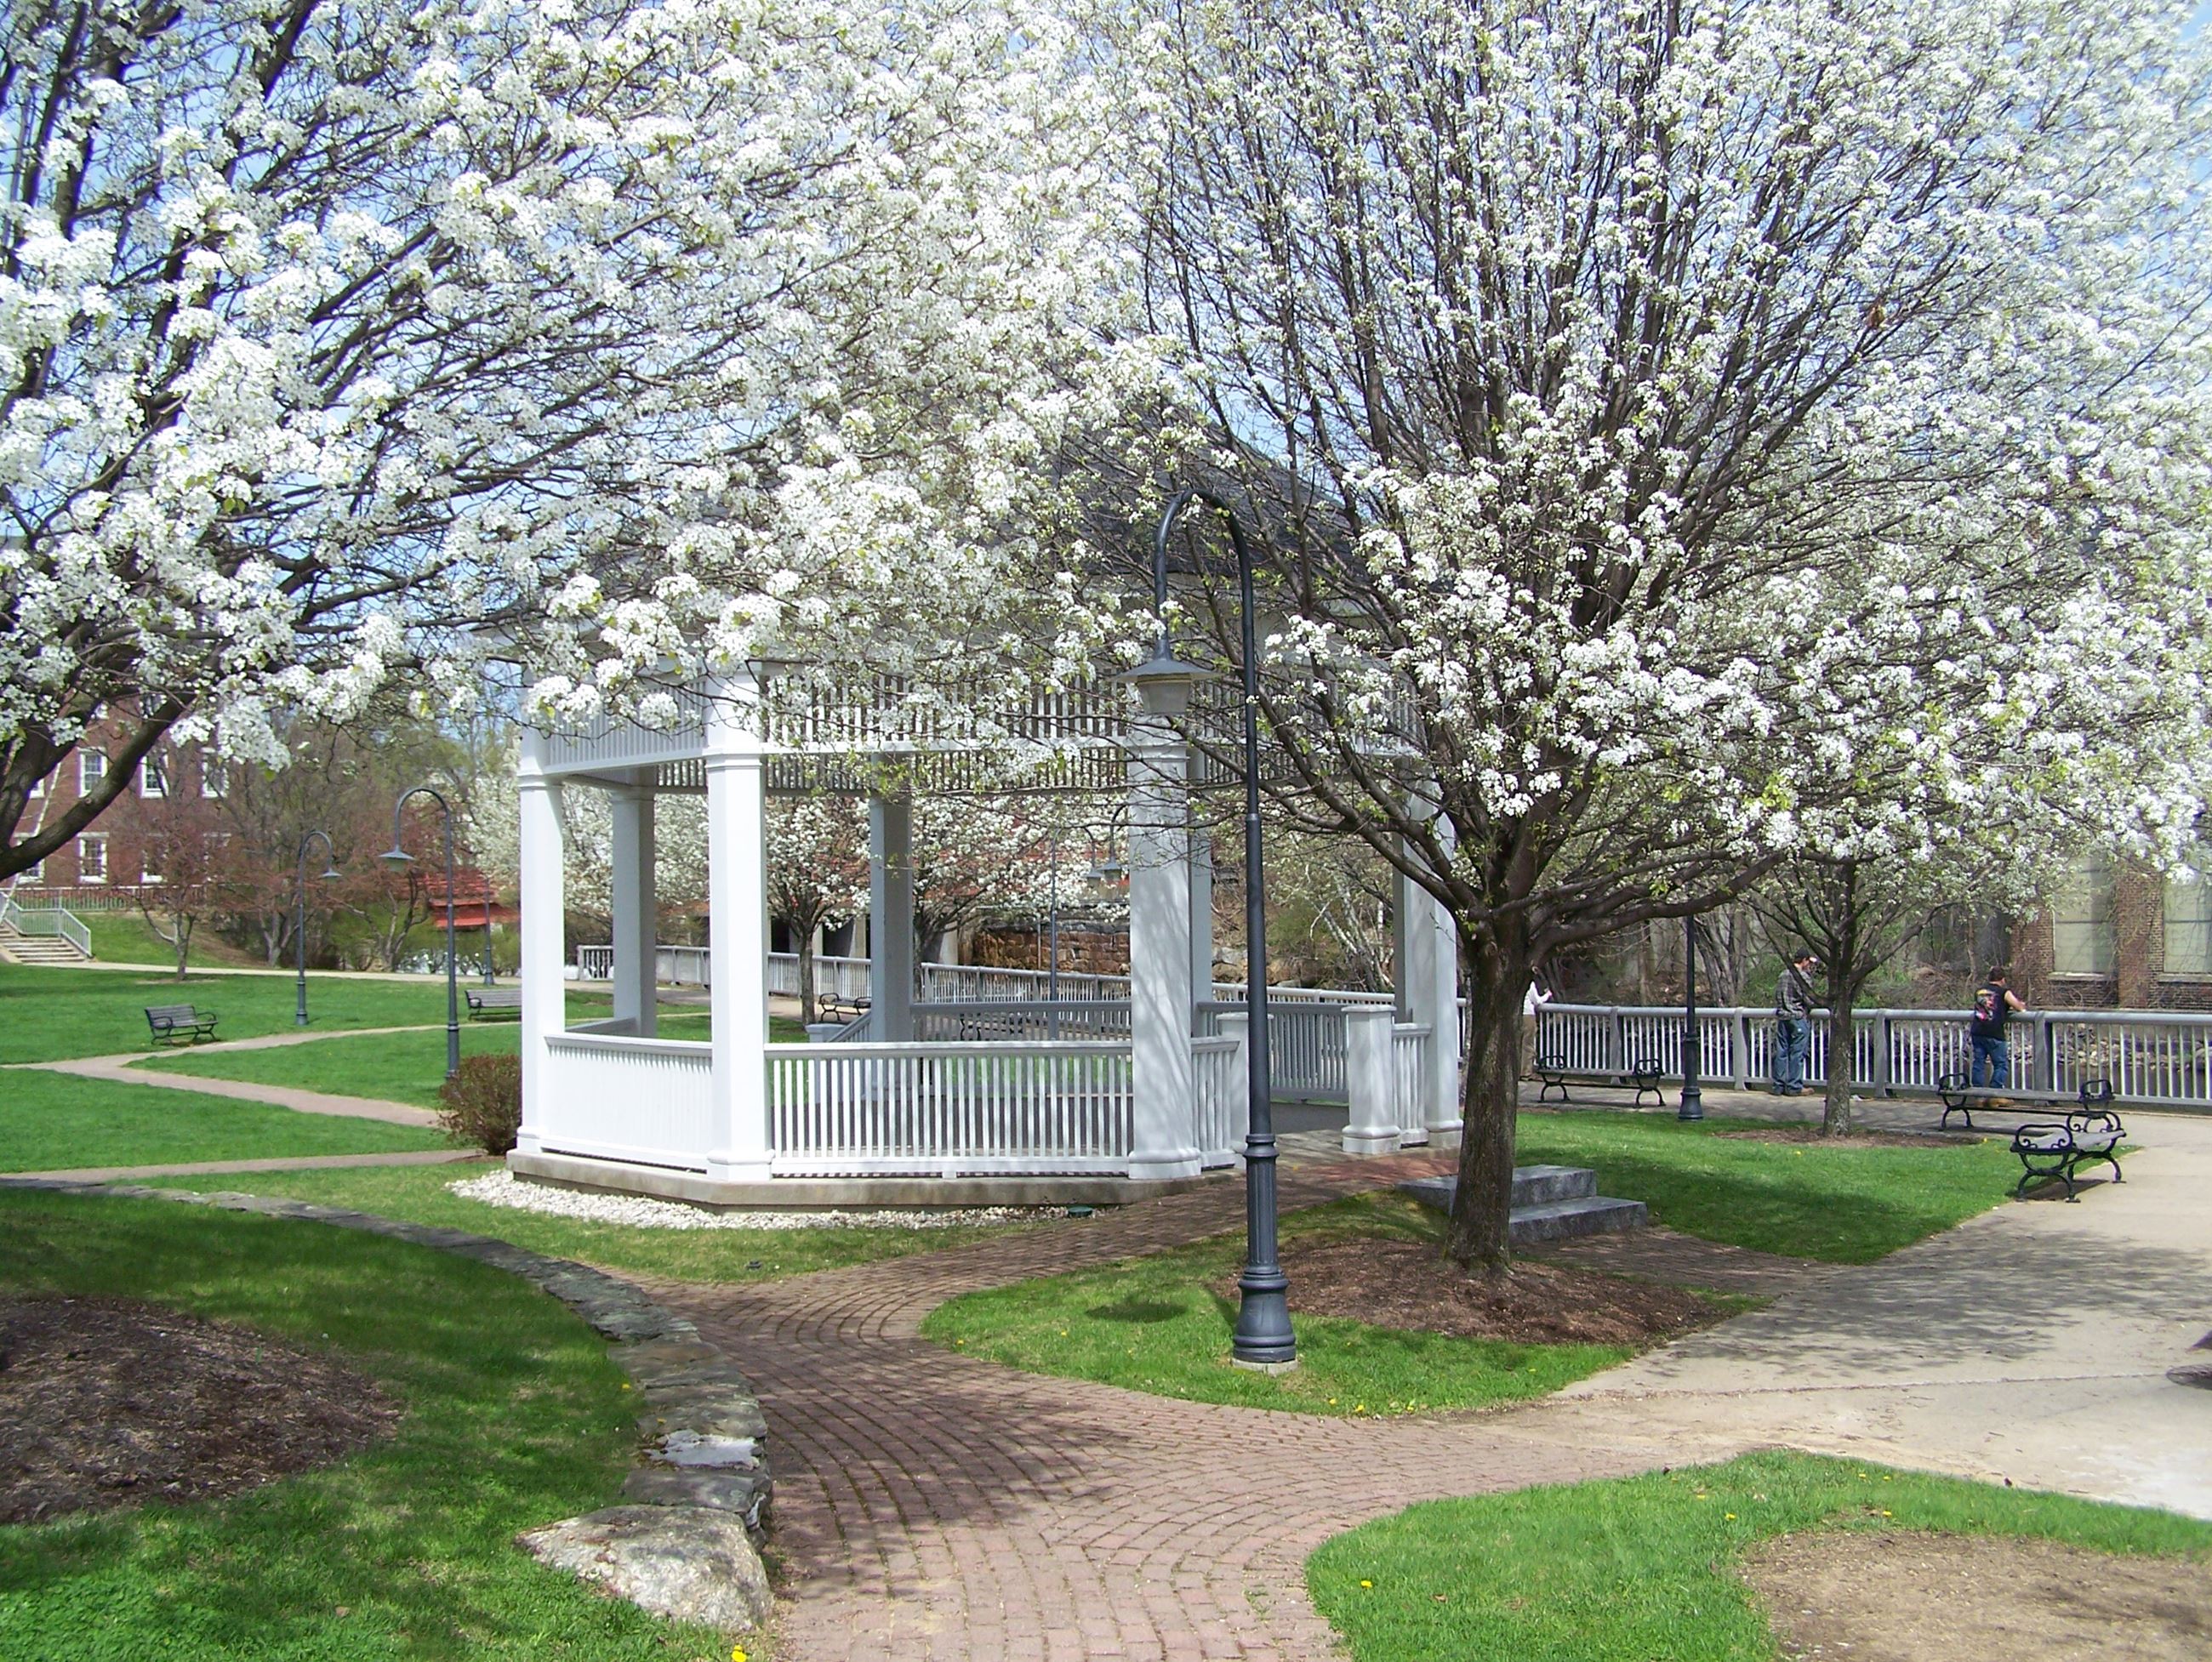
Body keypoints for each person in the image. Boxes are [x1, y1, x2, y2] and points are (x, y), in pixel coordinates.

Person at [1970, 967, 2027, 1099]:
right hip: (1994, 1033)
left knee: (1979, 1063)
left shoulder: (1979, 991)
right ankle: (1995, 1094)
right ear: (2002, 979)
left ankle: (1978, 1095)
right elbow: (2018, 1007)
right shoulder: (2003, 992)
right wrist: (2021, 1005)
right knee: (2000, 1064)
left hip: (1978, 1031)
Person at [1771, 949, 1818, 1095]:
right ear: (1804, 960)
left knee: (1781, 1051)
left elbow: (1778, 995)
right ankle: (1794, 1086)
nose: (1809, 965)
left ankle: (1778, 1086)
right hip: (1797, 1017)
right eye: (1809, 962)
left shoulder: (1783, 975)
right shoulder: (1802, 977)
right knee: (1797, 1053)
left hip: (1783, 1017)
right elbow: (1809, 999)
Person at [1520, 975, 1553, 1079]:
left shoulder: (1513, 983)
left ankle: (1517, 1070)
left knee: (1519, 1043)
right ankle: (1526, 1072)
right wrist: (1547, 995)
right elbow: (1537, 1001)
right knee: (1528, 1044)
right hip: (1528, 1015)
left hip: (1517, 1015)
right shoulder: (1529, 984)